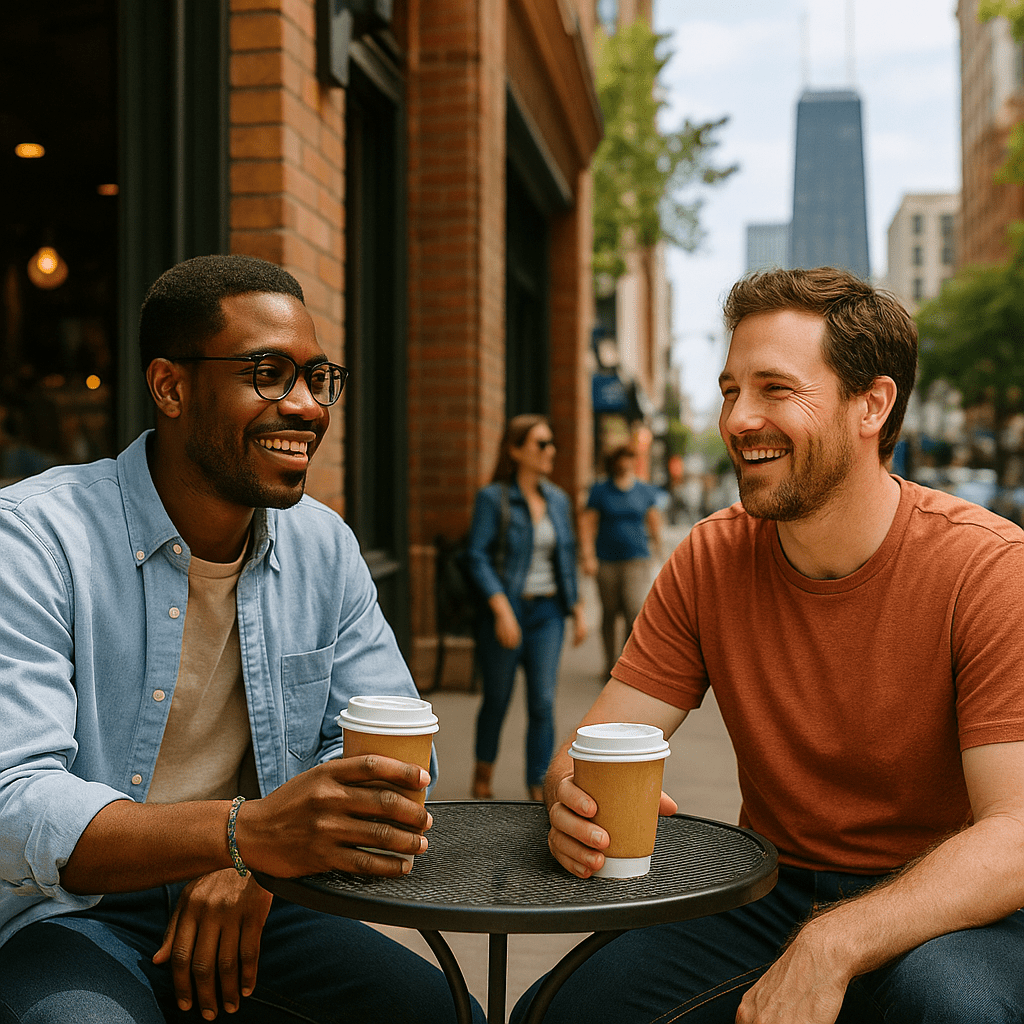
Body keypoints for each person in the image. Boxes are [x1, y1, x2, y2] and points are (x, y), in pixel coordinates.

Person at [513, 267, 1024, 1023]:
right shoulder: (709, 558)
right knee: (555, 1012)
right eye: (729, 391)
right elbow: (590, 750)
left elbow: (1014, 833)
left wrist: (834, 943)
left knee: (956, 1013)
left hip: (950, 905)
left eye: (774, 389)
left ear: (871, 406)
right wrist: (572, 799)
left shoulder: (987, 566)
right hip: (768, 887)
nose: (738, 419)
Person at [0, 254, 485, 1024]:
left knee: (446, 1013)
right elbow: (15, 802)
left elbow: (398, 748)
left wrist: (255, 866)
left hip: (260, 894)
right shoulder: (35, 538)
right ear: (171, 387)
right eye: (267, 373)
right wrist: (242, 833)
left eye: (317, 378)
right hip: (64, 912)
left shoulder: (323, 548)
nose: (307, 407)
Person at [464, 414, 587, 802]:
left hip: (547, 614)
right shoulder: (493, 498)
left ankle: (538, 785)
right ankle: (483, 771)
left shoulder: (558, 500)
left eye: (551, 443)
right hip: (507, 608)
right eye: (541, 444)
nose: (550, 451)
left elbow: (566, 559)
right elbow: (476, 556)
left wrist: (577, 609)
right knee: (497, 698)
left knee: (543, 701)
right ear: (516, 450)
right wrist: (501, 608)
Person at [580, 443, 663, 678]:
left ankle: (626, 664)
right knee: (609, 612)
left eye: (629, 457)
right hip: (606, 561)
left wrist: (660, 552)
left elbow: (654, 522)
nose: (625, 462)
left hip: (636, 560)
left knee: (634, 611)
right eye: (621, 457)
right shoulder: (600, 491)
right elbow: (588, 524)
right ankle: (609, 664)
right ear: (614, 462)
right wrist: (587, 556)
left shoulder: (644, 491)